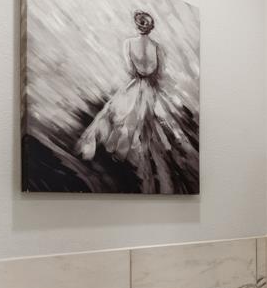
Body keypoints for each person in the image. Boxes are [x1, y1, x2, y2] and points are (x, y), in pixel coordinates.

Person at [76, 10, 199, 193]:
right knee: (156, 126)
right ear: (150, 27)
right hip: (152, 88)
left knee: (122, 118)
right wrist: (151, 81)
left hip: (136, 85)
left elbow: (129, 69)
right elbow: (159, 71)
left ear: (137, 25)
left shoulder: (128, 44)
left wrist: (140, 76)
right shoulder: (158, 47)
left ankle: (128, 163)